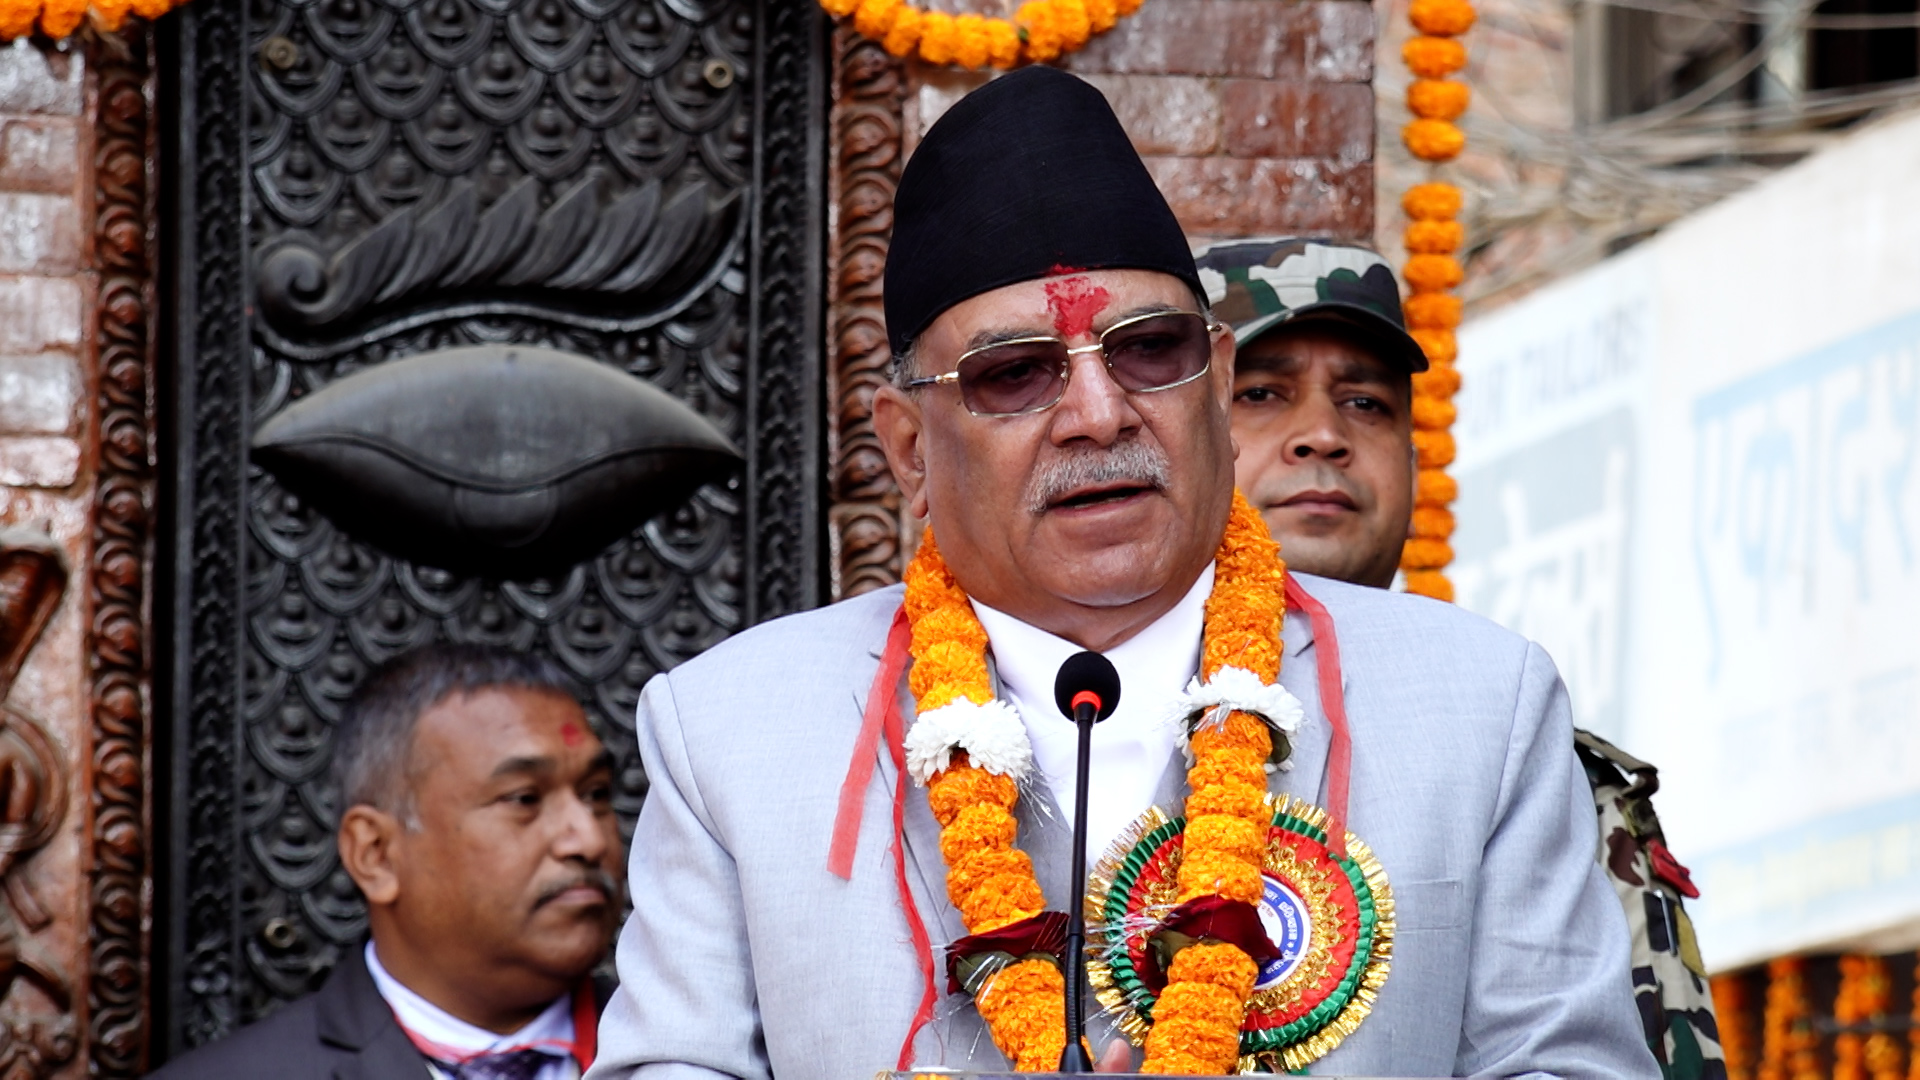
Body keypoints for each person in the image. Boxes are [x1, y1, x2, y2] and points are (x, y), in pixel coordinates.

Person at [589, 68, 1655, 1080]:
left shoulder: (1478, 706)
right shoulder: (733, 733)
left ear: (1218, 381)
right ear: (911, 450)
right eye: (1015, 374)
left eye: (1149, 350)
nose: (1099, 415)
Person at [1202, 234, 1725, 1079]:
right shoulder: (1086, 715)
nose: (1323, 436)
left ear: (1415, 461)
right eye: (1261, 394)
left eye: (1366, 403)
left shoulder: (1526, 756)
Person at [150, 644, 625, 1080]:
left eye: (597, 794)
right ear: (375, 854)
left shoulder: (664, 1051)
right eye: (524, 799)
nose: (587, 840)